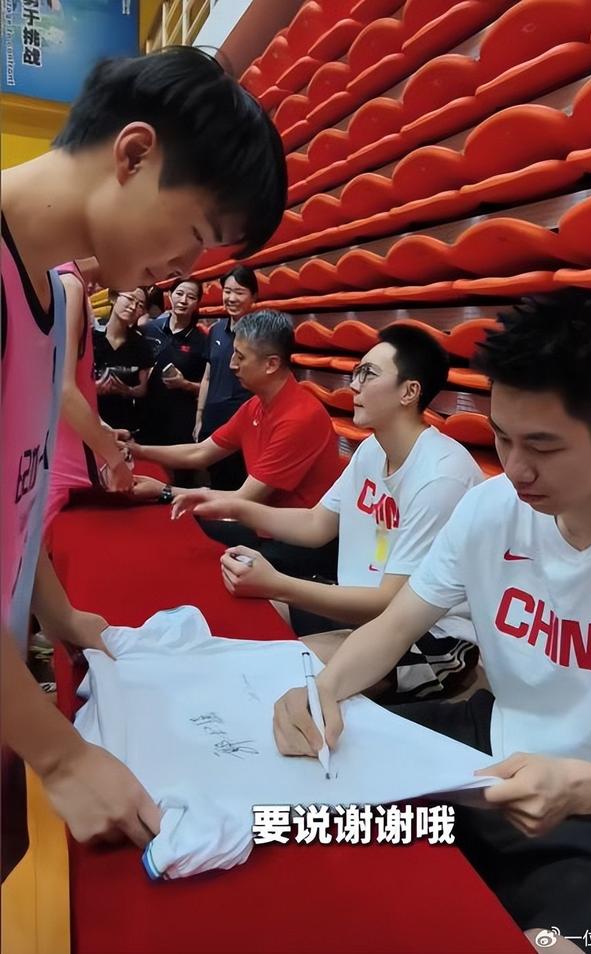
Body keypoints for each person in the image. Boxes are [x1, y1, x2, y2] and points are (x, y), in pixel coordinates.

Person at [273, 292, 591, 949]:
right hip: (485, 752)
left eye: (543, 446)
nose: (517, 468)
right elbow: (395, 626)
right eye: (503, 436)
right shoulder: (489, 508)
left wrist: (588, 788)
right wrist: (323, 691)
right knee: (294, 806)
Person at [1, 44, 286, 878]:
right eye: (195, 236)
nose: (186, 272)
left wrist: (58, 617)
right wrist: (60, 756)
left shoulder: (51, 297)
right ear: (133, 154)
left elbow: (13, 504)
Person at [175, 324, 483, 700]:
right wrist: (237, 507)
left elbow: (391, 603)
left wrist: (278, 584)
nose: (354, 386)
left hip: (430, 637)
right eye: (356, 373)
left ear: (409, 391)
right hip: (363, 610)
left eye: (368, 374)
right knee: (245, 617)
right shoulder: (371, 449)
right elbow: (316, 523)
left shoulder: (440, 478)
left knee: (273, 672)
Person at [129, 310, 343, 580]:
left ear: (271, 364)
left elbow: (244, 499)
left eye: (240, 357)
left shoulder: (300, 418)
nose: (231, 365)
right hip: (265, 528)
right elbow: (201, 452)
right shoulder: (256, 405)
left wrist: (164, 491)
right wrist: (137, 450)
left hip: (297, 545)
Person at [44, 261, 135, 532]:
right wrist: (114, 460)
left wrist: (100, 430)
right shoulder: (69, 285)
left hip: (57, 457)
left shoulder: (68, 282)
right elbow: (63, 390)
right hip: (58, 464)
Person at [194, 265, 258, 490]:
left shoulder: (261, 335)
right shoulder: (215, 330)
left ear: (253, 296)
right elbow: (208, 376)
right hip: (213, 420)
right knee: (216, 481)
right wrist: (199, 417)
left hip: (244, 424)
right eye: (227, 291)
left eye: (239, 292)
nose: (231, 298)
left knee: (238, 485)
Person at [140, 278, 208, 487]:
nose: (183, 300)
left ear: (197, 303)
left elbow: (207, 386)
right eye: (179, 293)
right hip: (148, 418)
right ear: (170, 295)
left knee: (181, 482)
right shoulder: (148, 330)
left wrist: (185, 384)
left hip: (181, 422)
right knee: (147, 476)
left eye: (191, 297)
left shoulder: (201, 342)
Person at [93, 287, 154, 436]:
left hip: (124, 425)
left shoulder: (141, 345)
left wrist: (127, 390)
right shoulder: (90, 337)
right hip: (90, 422)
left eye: (140, 305)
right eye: (130, 298)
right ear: (114, 297)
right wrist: (92, 388)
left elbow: (142, 390)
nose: (133, 307)